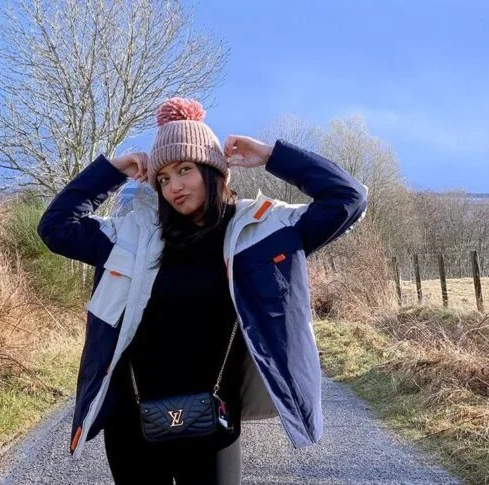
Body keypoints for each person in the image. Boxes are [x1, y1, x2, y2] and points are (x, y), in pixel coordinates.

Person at [37, 97, 367, 484]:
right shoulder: (130, 236)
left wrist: (271, 156)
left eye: (185, 169)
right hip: (132, 419)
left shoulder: (260, 231)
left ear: (212, 170)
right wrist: (112, 171)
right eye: (163, 178)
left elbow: (347, 199)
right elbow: (55, 228)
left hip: (213, 419)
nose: (175, 186)